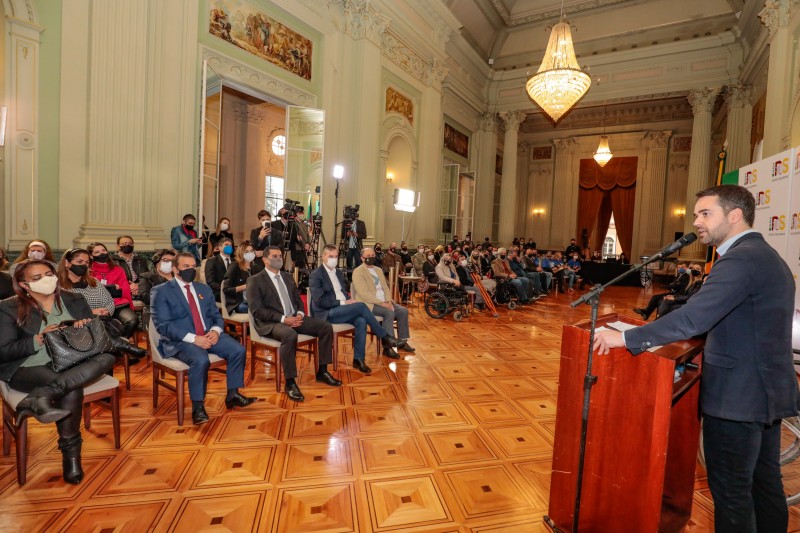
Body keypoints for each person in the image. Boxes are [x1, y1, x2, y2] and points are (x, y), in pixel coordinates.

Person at [594, 185, 798, 533]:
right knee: (765, 487)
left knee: (733, 495)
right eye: (696, 214)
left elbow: (695, 318)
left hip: (738, 398)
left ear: (734, 216)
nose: (697, 222)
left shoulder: (740, 259)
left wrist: (626, 338)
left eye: (706, 213)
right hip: (763, 392)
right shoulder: (765, 255)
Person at [0, 260, 116, 484]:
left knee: (109, 357)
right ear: (24, 285)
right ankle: (71, 456)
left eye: (49, 273)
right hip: (27, 366)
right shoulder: (8, 307)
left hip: (70, 360)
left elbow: (94, 336)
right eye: (37, 278)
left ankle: (41, 396)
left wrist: (81, 329)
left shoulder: (73, 298)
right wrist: (38, 339)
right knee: (71, 390)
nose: (47, 279)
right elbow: (3, 351)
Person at [150, 252, 256, 425]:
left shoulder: (203, 289)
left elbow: (216, 315)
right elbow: (163, 326)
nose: (191, 270)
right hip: (180, 340)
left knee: (238, 350)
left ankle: (233, 395)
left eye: (193, 266)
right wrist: (194, 339)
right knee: (201, 359)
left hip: (207, 334)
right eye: (186, 267)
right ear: (175, 269)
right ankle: (198, 407)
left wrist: (215, 331)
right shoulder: (161, 291)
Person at [247, 246, 341, 400]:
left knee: (325, 327)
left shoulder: (287, 277)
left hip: (294, 318)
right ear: (264, 259)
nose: (278, 258)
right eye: (274, 256)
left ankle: (322, 371)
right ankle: (290, 382)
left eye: (280, 256)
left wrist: (299, 313)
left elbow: (298, 299)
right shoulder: (255, 280)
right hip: (272, 322)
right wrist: (284, 319)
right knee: (289, 335)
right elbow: (257, 311)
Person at [309, 245, 404, 361]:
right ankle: (385, 336)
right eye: (330, 256)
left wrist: (348, 301)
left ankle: (358, 360)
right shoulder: (316, 275)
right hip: (327, 312)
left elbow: (343, 292)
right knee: (361, 305)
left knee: (361, 320)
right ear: (323, 256)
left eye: (336, 256)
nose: (334, 259)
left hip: (342, 309)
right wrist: (344, 302)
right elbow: (320, 301)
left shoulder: (338, 272)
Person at [351, 248, 415, 368]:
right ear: (362, 258)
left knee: (403, 311)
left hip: (384, 301)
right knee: (388, 313)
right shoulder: (358, 271)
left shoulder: (378, 269)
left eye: (373, 255)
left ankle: (402, 341)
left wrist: (388, 300)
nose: (371, 257)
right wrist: (381, 303)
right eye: (368, 255)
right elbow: (364, 293)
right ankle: (388, 347)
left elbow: (386, 287)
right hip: (369, 304)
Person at [88, 242, 138, 337]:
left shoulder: (118, 269)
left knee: (132, 321)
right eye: (97, 252)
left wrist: (107, 290)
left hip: (119, 305)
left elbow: (124, 291)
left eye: (103, 250)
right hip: (98, 307)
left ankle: (122, 344)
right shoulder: (88, 271)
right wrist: (113, 288)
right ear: (91, 256)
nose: (102, 253)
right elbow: (92, 292)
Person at [222, 241, 264, 314]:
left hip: (254, 300)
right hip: (239, 302)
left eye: (251, 251)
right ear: (241, 253)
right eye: (247, 252)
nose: (250, 253)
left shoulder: (255, 267)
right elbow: (226, 290)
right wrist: (245, 286)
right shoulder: (234, 266)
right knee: (261, 310)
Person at [138, 249, 175, 327]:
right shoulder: (146, 276)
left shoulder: (179, 277)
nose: (169, 263)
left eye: (172, 261)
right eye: (166, 260)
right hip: (157, 311)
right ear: (157, 262)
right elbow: (144, 296)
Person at [112, 236, 150, 302]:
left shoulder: (141, 260)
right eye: (124, 243)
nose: (127, 245)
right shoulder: (112, 260)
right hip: (121, 294)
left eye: (130, 243)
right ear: (118, 246)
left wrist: (137, 286)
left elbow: (147, 277)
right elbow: (112, 279)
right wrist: (128, 287)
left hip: (140, 292)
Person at [205, 237, 234, 302]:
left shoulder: (235, 261)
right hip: (219, 292)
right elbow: (210, 281)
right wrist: (225, 289)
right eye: (226, 245)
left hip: (235, 291)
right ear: (219, 247)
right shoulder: (212, 261)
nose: (229, 247)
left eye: (230, 245)